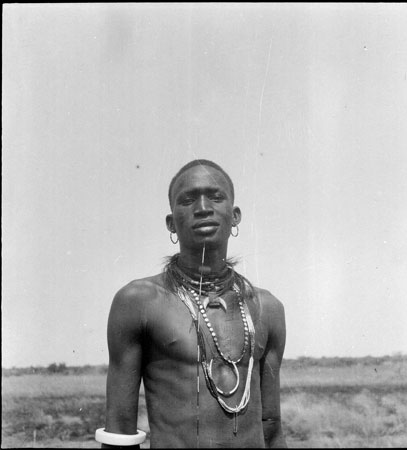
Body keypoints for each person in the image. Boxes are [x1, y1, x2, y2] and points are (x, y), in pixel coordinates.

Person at [96, 160, 287, 448]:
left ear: (235, 216)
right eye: (187, 200)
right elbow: (119, 431)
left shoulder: (266, 308)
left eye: (215, 196)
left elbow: (271, 428)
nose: (202, 208)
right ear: (171, 223)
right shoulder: (140, 301)